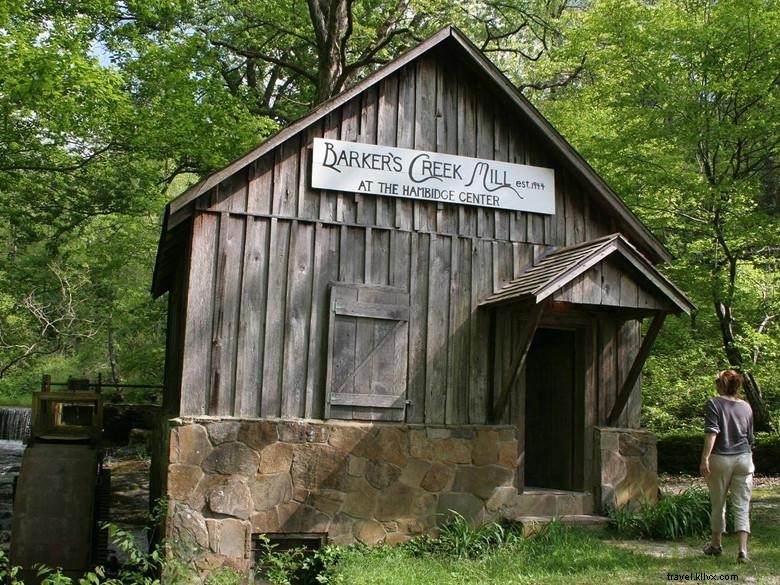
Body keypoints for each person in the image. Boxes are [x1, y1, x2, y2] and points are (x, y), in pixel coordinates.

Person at [699, 369, 754, 563]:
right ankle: (742, 551)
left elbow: (712, 432)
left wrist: (705, 458)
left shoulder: (714, 403)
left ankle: (716, 545)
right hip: (744, 458)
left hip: (721, 458)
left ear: (721, 385)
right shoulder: (747, 406)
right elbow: (750, 437)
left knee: (718, 502)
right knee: (742, 504)